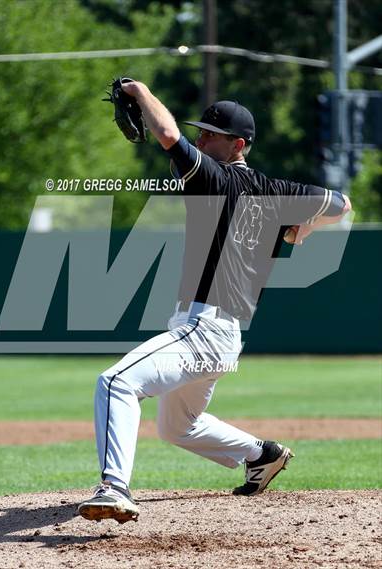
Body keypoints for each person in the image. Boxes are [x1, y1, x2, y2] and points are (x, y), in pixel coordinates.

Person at [78, 81, 352, 524]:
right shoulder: (275, 190)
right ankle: (263, 453)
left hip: (203, 329)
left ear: (238, 144)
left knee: (115, 383)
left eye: (210, 135)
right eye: (200, 133)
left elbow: (168, 136)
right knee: (176, 426)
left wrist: (142, 91)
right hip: (223, 336)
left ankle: (114, 487)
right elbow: (342, 203)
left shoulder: (214, 178)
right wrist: (305, 227)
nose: (201, 141)